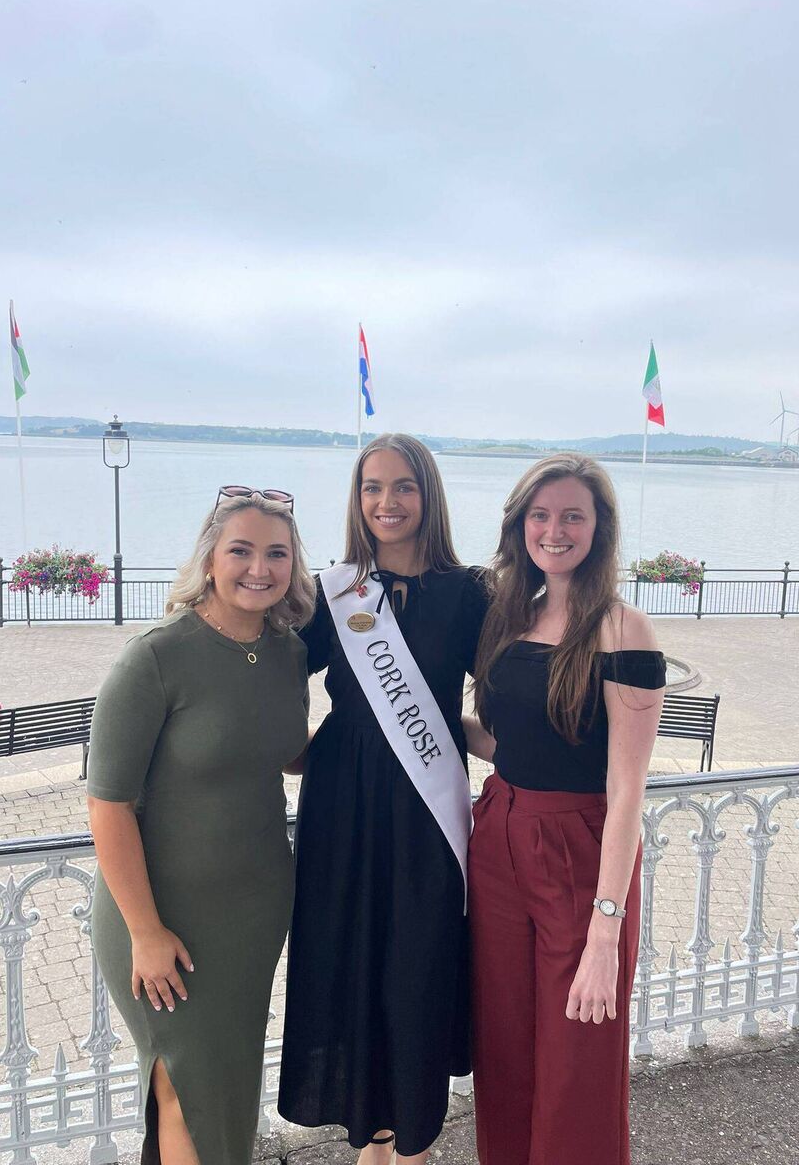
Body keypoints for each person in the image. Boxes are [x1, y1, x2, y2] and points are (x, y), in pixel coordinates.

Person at [87, 488, 314, 1165]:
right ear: (210, 559)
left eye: (277, 553)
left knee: (230, 1079)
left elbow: (285, 749)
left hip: (253, 911)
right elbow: (107, 806)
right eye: (240, 550)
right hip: (162, 919)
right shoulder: (155, 657)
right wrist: (145, 932)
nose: (258, 567)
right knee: (181, 1081)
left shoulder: (287, 652)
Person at [278, 433, 488, 1165]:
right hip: (344, 806)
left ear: (427, 495)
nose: (386, 502)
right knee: (351, 959)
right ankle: (373, 1137)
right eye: (372, 487)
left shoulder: (470, 593)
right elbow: (274, 682)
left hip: (425, 812)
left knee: (418, 965)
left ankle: (410, 1142)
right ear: (356, 498)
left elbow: (501, 698)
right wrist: (299, 751)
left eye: (403, 486)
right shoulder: (331, 590)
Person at [464, 453, 665, 1165]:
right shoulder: (508, 619)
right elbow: (505, 741)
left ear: (598, 528)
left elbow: (627, 791)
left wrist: (605, 936)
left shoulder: (622, 630)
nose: (554, 530)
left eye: (572, 515)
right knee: (507, 1049)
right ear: (520, 527)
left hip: (581, 855)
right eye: (540, 516)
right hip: (499, 840)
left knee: (578, 1058)